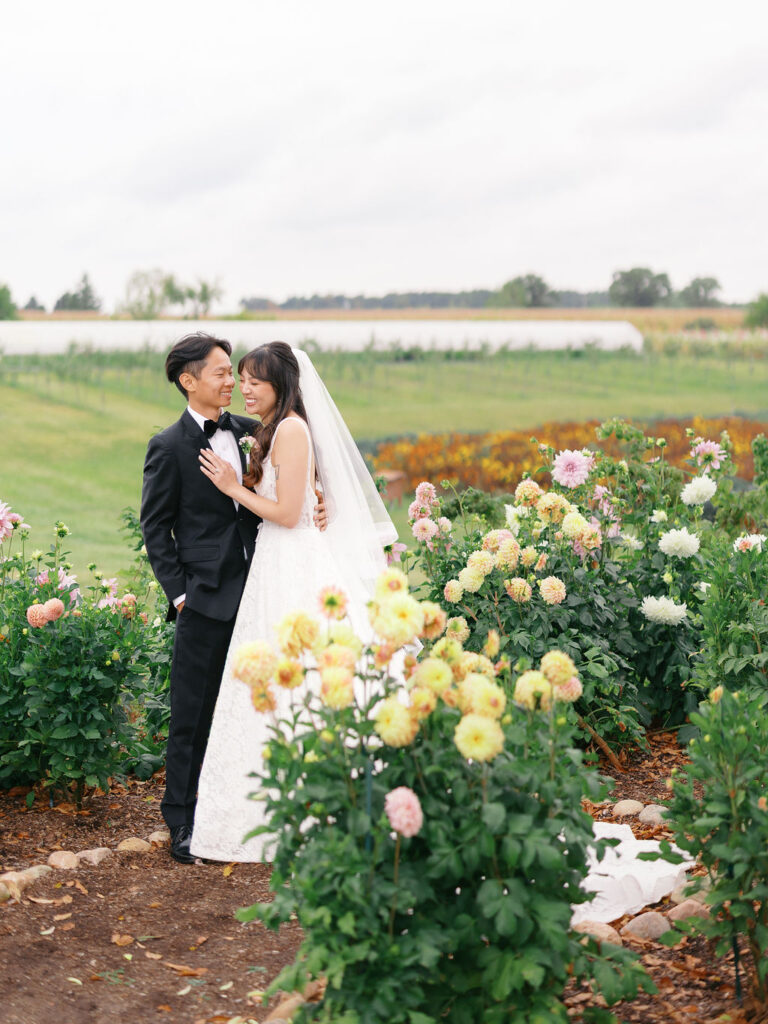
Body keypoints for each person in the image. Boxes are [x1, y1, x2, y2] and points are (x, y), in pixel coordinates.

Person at [189, 342, 397, 862]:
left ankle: (319, 806)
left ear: (281, 382)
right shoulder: (273, 429)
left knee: (304, 674)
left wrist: (233, 487)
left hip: (292, 559)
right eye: (241, 379)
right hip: (275, 562)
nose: (246, 388)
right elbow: (304, 497)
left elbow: (284, 513)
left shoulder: (293, 428)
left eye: (255, 380)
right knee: (277, 679)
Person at [140, 333, 324, 864]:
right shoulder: (168, 447)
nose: (232, 383)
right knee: (192, 712)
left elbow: (295, 489)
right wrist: (180, 598)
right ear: (188, 380)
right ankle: (181, 820)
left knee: (253, 705)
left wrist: (320, 504)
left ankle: (240, 811)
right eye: (222, 373)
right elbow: (157, 532)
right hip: (205, 599)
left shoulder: (254, 432)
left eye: (237, 374)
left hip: (265, 592)